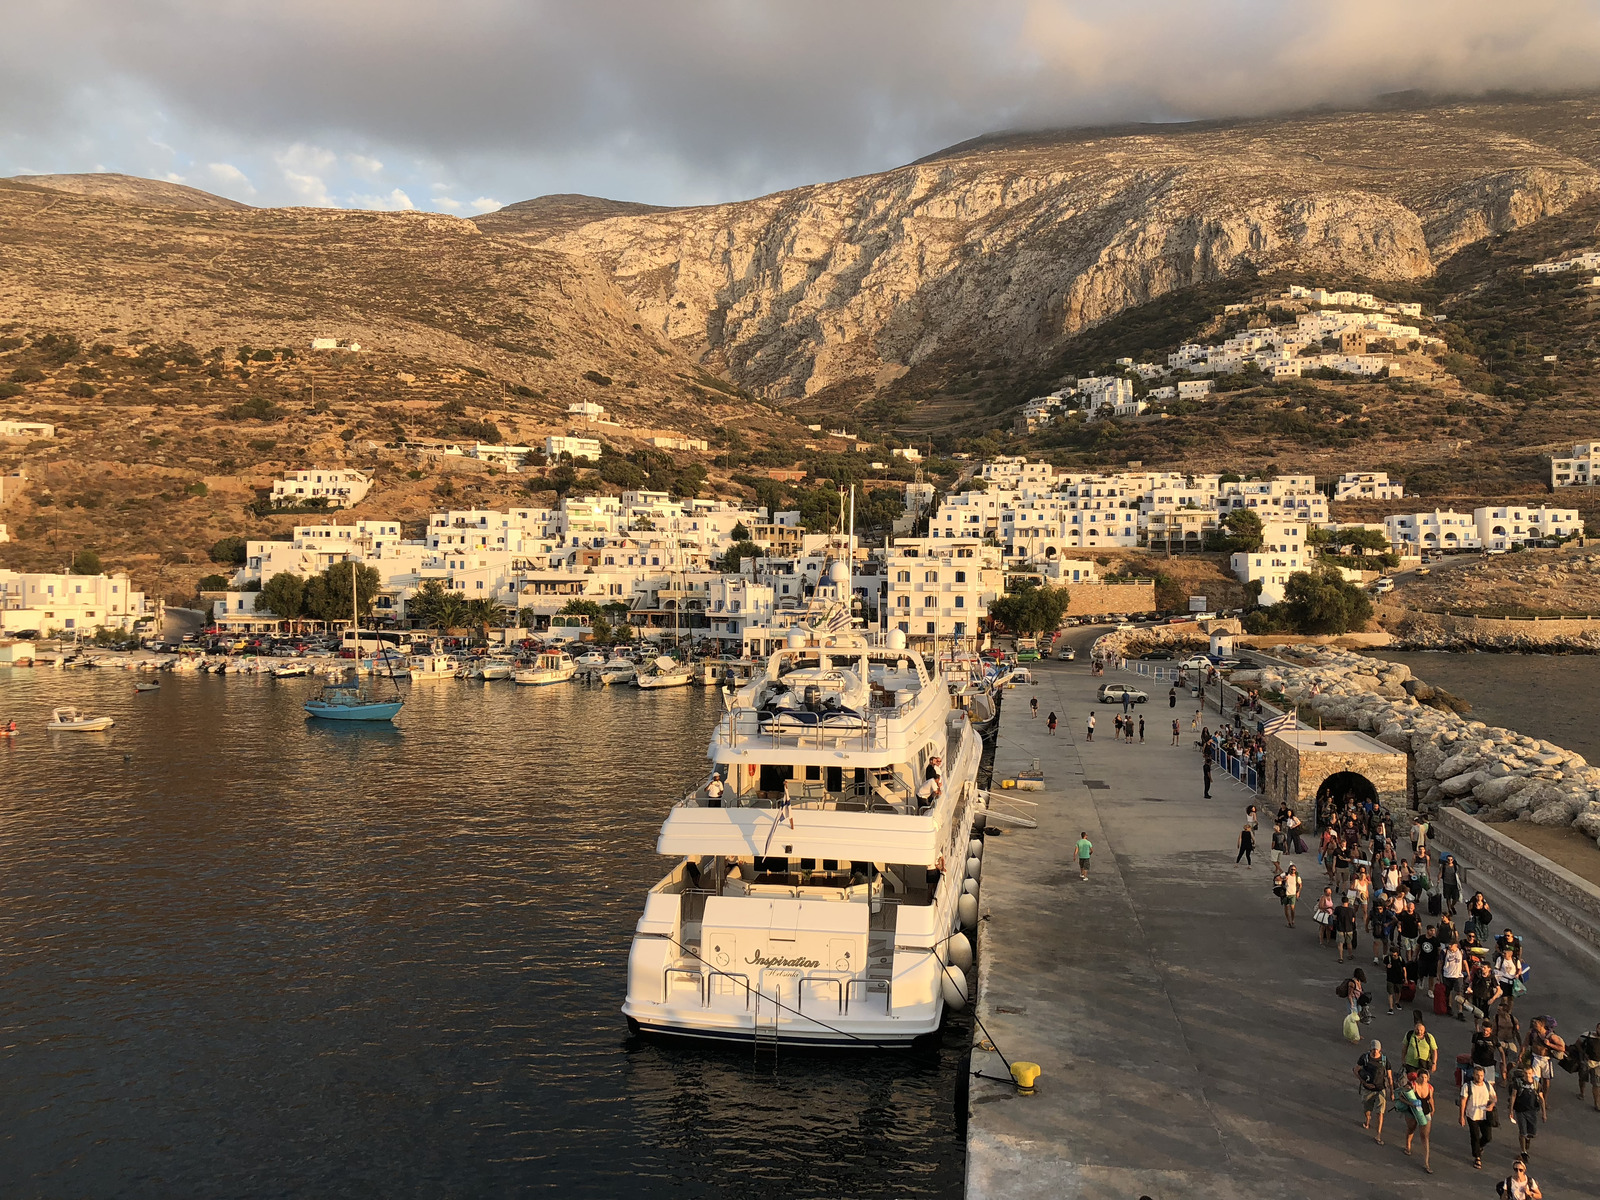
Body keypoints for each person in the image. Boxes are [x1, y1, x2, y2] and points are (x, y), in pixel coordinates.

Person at [1354, 1039, 1393, 1144]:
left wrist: (1392, 1091)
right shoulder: (1364, 1058)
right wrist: (1364, 1083)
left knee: (1380, 1112)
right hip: (1367, 1089)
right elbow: (1356, 1070)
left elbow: (1389, 1076)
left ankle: (1378, 1135)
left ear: (1380, 1049)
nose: (1375, 1051)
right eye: (1373, 1049)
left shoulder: (1385, 1060)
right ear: (1370, 1049)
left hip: (1380, 1089)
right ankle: (1367, 1120)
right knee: (1367, 1109)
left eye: (1377, 1049)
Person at [1459, 1062, 1497, 1169]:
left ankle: (1478, 1147)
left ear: (1484, 1076)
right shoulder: (1467, 1086)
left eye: (1481, 1075)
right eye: (1477, 1075)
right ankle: (1477, 1158)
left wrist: (1492, 1105)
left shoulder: (1488, 1086)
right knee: (1475, 1136)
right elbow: (1463, 1101)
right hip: (1472, 1115)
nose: (1479, 1077)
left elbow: (1494, 1097)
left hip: (1485, 1115)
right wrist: (1461, 1116)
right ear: (1473, 1075)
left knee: (1488, 1137)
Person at [1400, 1066, 1435, 1172]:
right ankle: (1408, 1145)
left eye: (1426, 1077)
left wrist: (1433, 1109)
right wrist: (1411, 1103)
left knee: (1425, 1136)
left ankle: (1426, 1162)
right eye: (1422, 1077)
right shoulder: (1412, 1086)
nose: (1424, 1079)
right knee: (1411, 1128)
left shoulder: (1430, 1088)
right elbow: (1401, 1097)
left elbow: (1430, 1099)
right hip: (1412, 1112)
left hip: (1425, 1112)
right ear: (1418, 1077)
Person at [1511, 1065, 1542, 1155]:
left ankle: (1527, 1139)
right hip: (1520, 1110)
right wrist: (1511, 1110)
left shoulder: (1536, 1084)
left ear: (1532, 1073)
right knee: (1522, 1132)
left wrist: (1544, 1112)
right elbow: (1513, 1095)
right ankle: (1523, 1151)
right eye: (1525, 1073)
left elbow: (1541, 1098)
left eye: (1529, 1073)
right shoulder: (1518, 1083)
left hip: (1532, 1111)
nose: (1527, 1075)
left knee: (1532, 1133)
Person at [1577, 1022, 1600, 1111]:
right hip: (1586, 1062)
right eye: (1599, 1028)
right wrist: (1583, 1053)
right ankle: (1581, 1093)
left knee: (1596, 1084)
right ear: (1596, 1028)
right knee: (1582, 1078)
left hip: (1598, 1064)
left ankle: (1597, 1104)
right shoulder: (1587, 1035)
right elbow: (1578, 1044)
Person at [1333, 895, 1358, 964]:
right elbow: (1353, 920)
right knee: (1349, 943)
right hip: (1349, 929)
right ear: (1348, 902)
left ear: (1342, 902)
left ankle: (1341, 957)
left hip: (1340, 928)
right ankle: (1350, 955)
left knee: (1340, 943)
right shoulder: (1351, 910)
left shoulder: (1338, 909)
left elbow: (1335, 917)